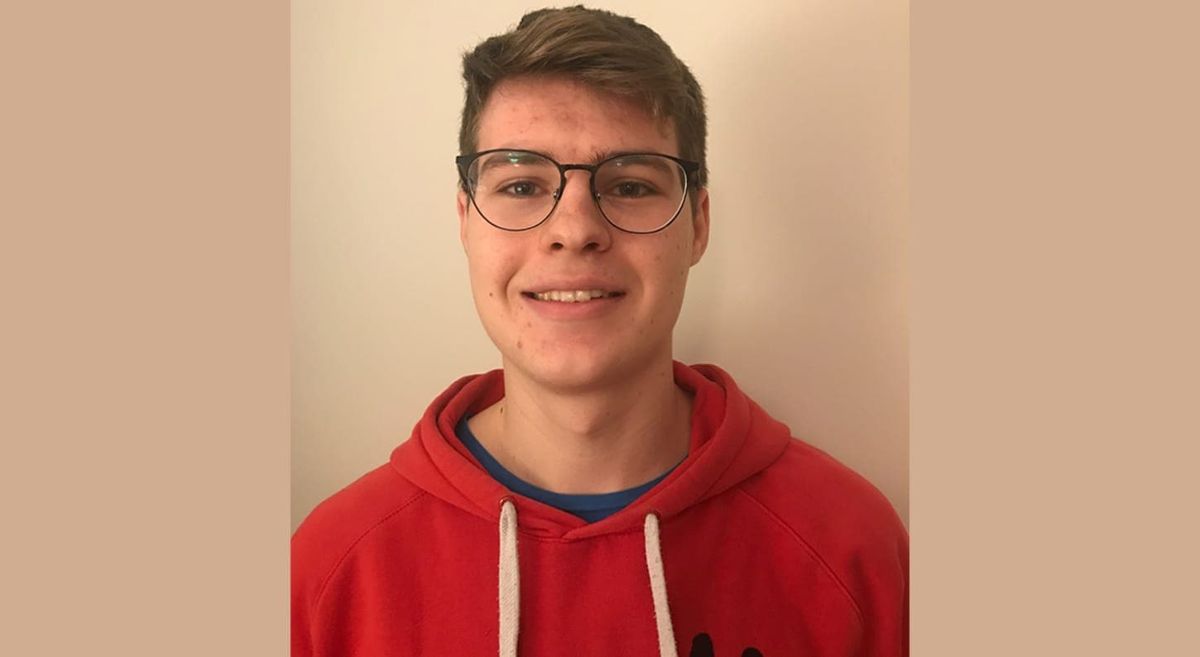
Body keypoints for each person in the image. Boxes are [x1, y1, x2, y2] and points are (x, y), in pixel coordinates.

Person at [292, 6, 907, 656]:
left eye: (631, 184)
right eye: (523, 184)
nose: (576, 228)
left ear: (697, 224)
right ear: (466, 220)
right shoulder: (330, 570)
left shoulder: (852, 548)